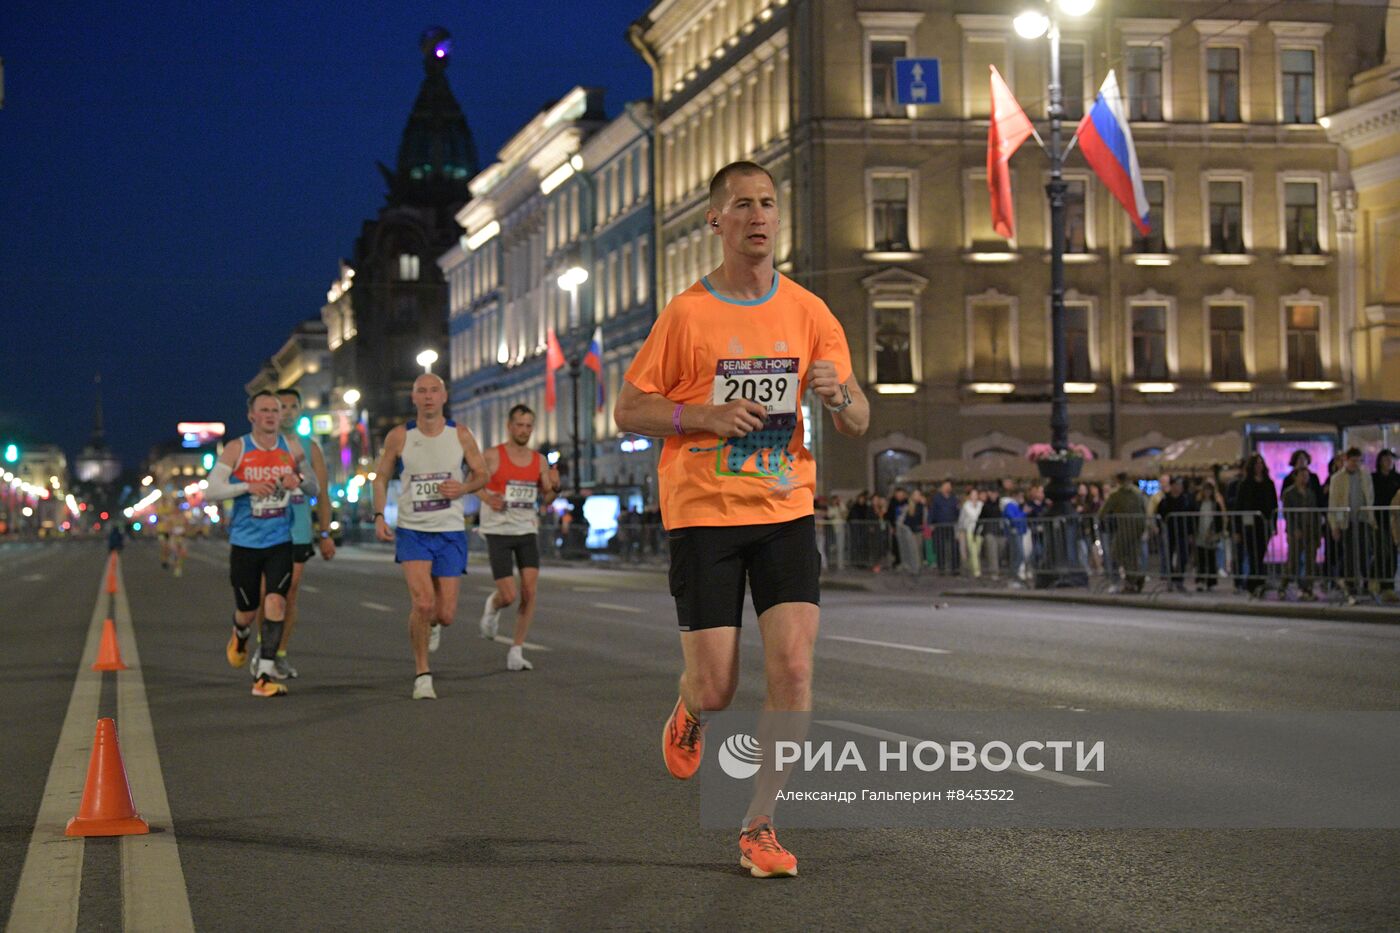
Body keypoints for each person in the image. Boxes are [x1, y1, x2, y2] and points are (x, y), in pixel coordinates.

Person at [614, 160, 869, 879]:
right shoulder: (688, 313)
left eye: (766, 204)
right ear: (715, 222)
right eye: (741, 206)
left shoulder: (810, 312)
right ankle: (691, 708)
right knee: (718, 684)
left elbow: (858, 417)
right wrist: (702, 414)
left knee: (793, 666)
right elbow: (628, 409)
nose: (757, 216)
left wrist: (838, 394)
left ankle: (760, 823)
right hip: (703, 512)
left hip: (785, 505)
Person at [370, 374, 489, 699]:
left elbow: (482, 474)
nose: (428, 397)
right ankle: (423, 674)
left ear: (444, 396)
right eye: (421, 391)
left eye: (433, 391)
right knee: (422, 603)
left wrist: (463, 488)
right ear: (413, 398)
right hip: (413, 531)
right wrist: (380, 514)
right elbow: (380, 478)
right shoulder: (400, 436)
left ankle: (433, 624)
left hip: (450, 531)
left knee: (445, 614)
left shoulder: (460, 435)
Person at [203, 390, 317, 698]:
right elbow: (211, 491)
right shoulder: (237, 449)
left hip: (280, 538)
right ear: (252, 415)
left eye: (275, 410)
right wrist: (246, 486)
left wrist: (299, 482)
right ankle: (240, 635)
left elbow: (313, 486)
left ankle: (264, 673)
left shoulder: (291, 448)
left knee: (277, 601)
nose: (270, 415)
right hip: (245, 542)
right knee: (247, 610)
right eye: (264, 410)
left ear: (281, 416)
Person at [251, 388, 335, 680]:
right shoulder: (256, 445)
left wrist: (325, 533)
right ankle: (264, 648)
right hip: (264, 529)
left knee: (289, 593)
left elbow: (322, 494)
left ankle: (279, 654)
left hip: (298, 530)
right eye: (280, 406)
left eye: (292, 406)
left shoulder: (309, 448)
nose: (286, 412)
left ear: (299, 411)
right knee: (266, 593)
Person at [477, 403, 559, 671]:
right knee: (509, 594)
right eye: (519, 425)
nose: (524, 431)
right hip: (498, 531)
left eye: (528, 426)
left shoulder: (539, 461)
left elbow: (545, 498)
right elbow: (471, 482)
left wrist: (555, 487)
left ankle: (516, 649)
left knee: (529, 591)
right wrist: (488, 497)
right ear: (509, 426)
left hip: (526, 530)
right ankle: (493, 605)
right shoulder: (492, 456)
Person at [1327, 447, 1375, 604]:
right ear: (1346, 460)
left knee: (1364, 552)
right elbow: (1333, 503)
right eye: (1353, 460)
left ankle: (1364, 582)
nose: (1356, 464)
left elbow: (1369, 495)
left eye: (1358, 461)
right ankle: (1350, 585)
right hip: (1346, 521)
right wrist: (1334, 525)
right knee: (1349, 554)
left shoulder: (1364, 476)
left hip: (1362, 519)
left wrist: (1370, 515)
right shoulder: (1337, 478)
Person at [1234, 454, 1278, 597]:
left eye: (1261, 463)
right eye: (1257, 464)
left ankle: (1257, 581)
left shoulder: (1268, 483)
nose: (1259, 466)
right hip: (1249, 525)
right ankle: (1254, 582)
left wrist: (1274, 524)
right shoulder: (1245, 484)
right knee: (1253, 555)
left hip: (1264, 524)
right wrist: (1237, 529)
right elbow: (1238, 506)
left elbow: (1274, 505)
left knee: (1260, 554)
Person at [1099, 473, 1148, 593]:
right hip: (1138, 525)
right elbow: (1146, 508)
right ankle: (1134, 578)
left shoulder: (1116, 494)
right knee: (1133, 554)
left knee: (1117, 552)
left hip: (1125, 526)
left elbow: (1103, 511)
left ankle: (1133, 577)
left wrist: (1104, 518)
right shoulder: (1137, 492)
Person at [1282, 465, 1322, 598]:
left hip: (1310, 530)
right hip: (1296, 532)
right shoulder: (1289, 493)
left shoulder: (1311, 493)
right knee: (1293, 560)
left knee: (1311, 561)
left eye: (1306, 476)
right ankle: (1284, 585)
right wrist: (1293, 529)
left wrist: (1317, 532)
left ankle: (1307, 587)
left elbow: (1316, 513)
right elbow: (1287, 513)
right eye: (1302, 475)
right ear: (1296, 477)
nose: (1305, 478)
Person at [1154, 477, 1194, 591]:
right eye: (1176, 485)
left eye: (1180, 485)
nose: (1178, 487)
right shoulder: (1165, 500)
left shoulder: (1186, 499)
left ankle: (1179, 579)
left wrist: (1191, 533)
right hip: (1168, 532)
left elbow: (1191, 517)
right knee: (1168, 556)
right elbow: (1159, 514)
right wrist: (1159, 527)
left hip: (1183, 532)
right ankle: (1170, 579)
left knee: (1183, 556)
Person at [1372, 449, 1399, 602]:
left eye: (1390, 459)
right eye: (1385, 459)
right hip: (1379, 520)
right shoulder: (1374, 478)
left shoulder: (1396, 478)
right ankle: (1380, 582)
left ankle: (1388, 586)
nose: (1388, 462)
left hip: (1394, 522)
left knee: (1392, 553)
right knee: (1382, 551)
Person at [1194, 480, 1226, 591]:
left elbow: (1219, 520)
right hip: (1200, 533)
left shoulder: (1215, 504)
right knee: (1201, 559)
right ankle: (1201, 581)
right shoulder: (1198, 504)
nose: (1207, 492)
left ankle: (1211, 582)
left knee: (1211, 558)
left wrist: (1216, 532)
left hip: (1211, 535)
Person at [957, 487, 983, 578]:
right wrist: (960, 531)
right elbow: (963, 519)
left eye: (976, 494)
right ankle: (976, 571)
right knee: (973, 550)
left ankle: (971, 568)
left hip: (979, 530)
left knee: (977, 550)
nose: (974, 496)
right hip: (969, 529)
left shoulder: (981, 504)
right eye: (972, 494)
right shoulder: (966, 505)